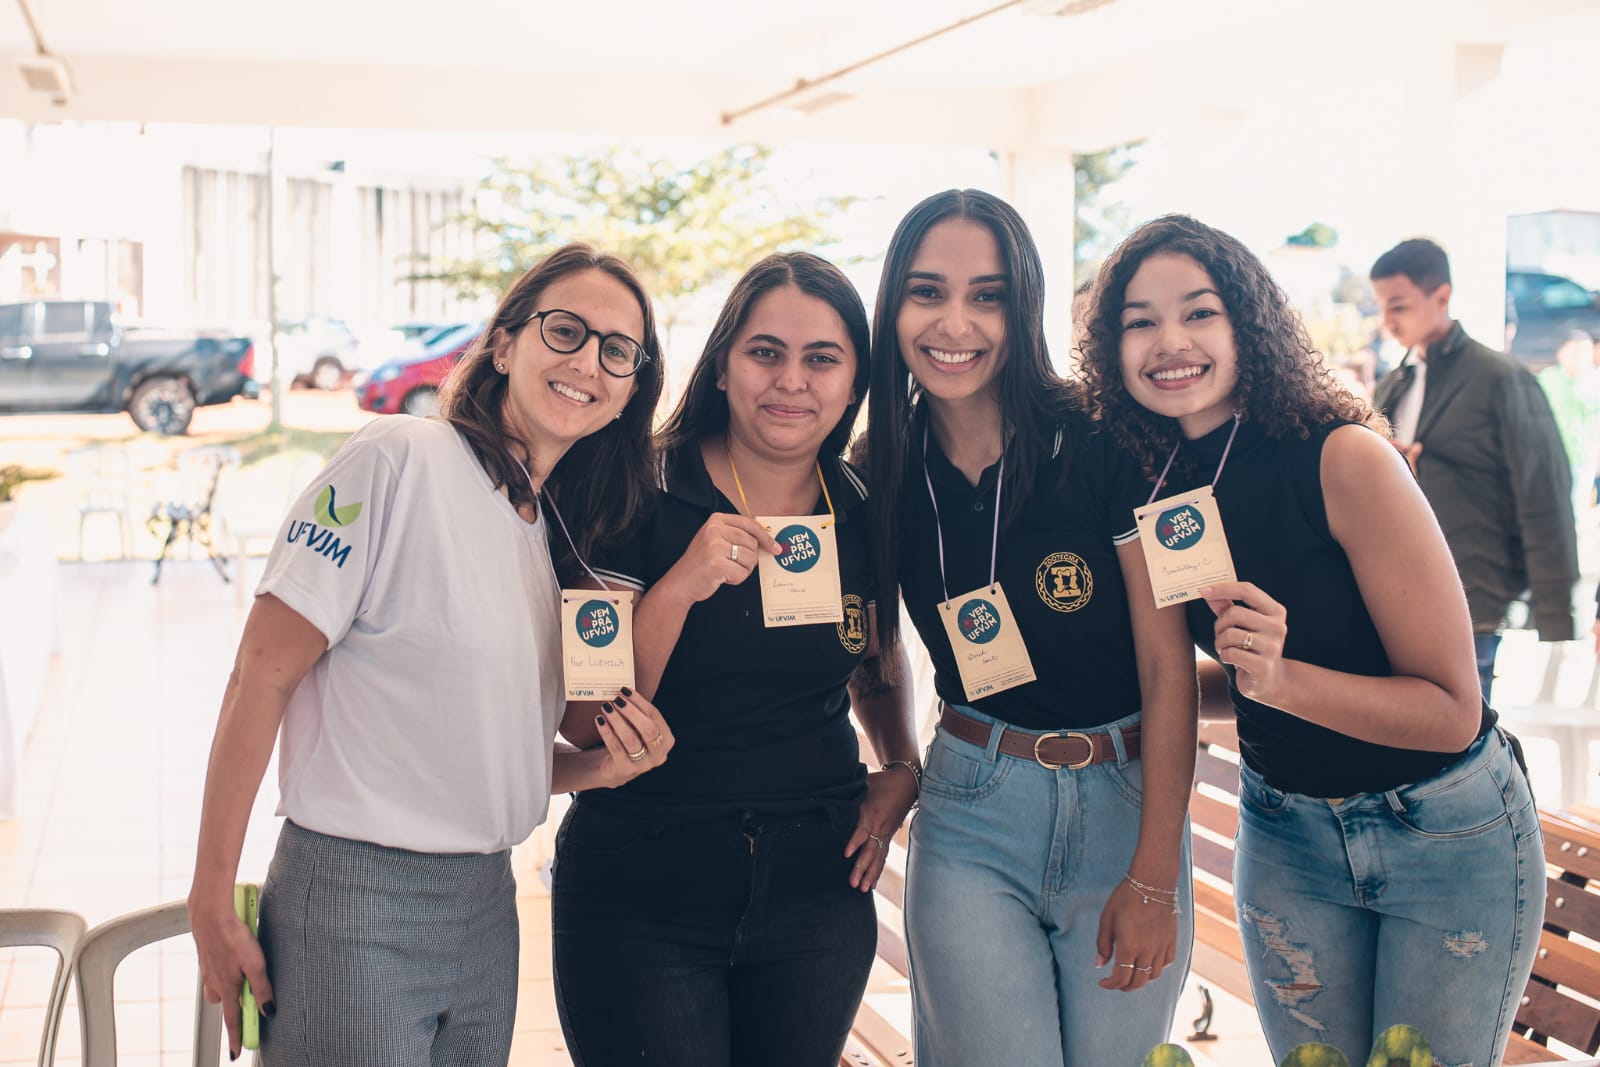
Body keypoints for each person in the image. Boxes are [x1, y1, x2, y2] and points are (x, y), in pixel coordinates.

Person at [188, 244, 677, 1066]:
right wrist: (211, 896)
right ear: (504, 344)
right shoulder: (400, 457)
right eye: (566, 330)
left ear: (631, 388)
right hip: (355, 899)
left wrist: (599, 770)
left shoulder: (542, 531)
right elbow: (259, 675)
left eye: (616, 349)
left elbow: (474, 747)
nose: (588, 360)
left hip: (487, 905)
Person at [1080, 214, 1543, 1067]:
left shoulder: (1345, 457)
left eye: (1199, 312)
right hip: (1285, 828)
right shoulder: (1145, 478)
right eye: (1138, 321)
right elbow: (1224, 680)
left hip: (1443, 829)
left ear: (1247, 323)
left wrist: (1284, 679)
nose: (1169, 341)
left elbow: (1450, 711)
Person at [551, 252, 920, 1067]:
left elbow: (874, 647)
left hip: (819, 890)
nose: (791, 381)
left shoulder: (860, 507)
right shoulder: (632, 486)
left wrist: (901, 760)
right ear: (722, 364)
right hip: (644, 881)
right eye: (765, 352)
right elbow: (584, 719)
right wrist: (679, 587)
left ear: (855, 382)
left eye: (822, 358)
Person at [863, 189, 1198, 1067]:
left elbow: (1169, 671)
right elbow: (873, 645)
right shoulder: (880, 467)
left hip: (1126, 806)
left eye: (989, 295)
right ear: (894, 303)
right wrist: (897, 754)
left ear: (1026, 308)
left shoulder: (1101, 439)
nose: (956, 323)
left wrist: (1156, 870)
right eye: (928, 291)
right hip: (975, 808)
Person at [1369, 238, 1576, 702]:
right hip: (1398, 595)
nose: (1387, 321)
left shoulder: (1501, 378)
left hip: (1474, 594)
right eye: (1381, 307)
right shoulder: (1391, 385)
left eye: (1398, 305)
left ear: (1441, 297)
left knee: (1464, 737)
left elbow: (1543, 493)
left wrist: (1557, 614)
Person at [1536, 329, 1600, 515]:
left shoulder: (1594, 381)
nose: (1579, 358)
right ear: (1561, 353)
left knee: (1576, 510)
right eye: (1574, 352)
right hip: (1549, 455)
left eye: (1584, 353)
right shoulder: (1547, 379)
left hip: (1582, 457)